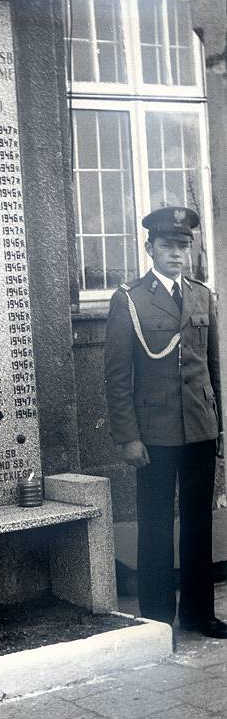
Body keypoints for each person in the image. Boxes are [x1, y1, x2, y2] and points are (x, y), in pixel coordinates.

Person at [104, 206, 227, 639]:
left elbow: (212, 368)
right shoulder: (130, 300)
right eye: (167, 245)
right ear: (149, 248)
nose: (176, 253)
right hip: (153, 434)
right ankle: (157, 617)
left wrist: (219, 430)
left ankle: (198, 613)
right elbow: (117, 377)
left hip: (199, 429)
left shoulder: (201, 296)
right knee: (155, 524)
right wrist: (128, 437)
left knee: (198, 524)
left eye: (182, 246)